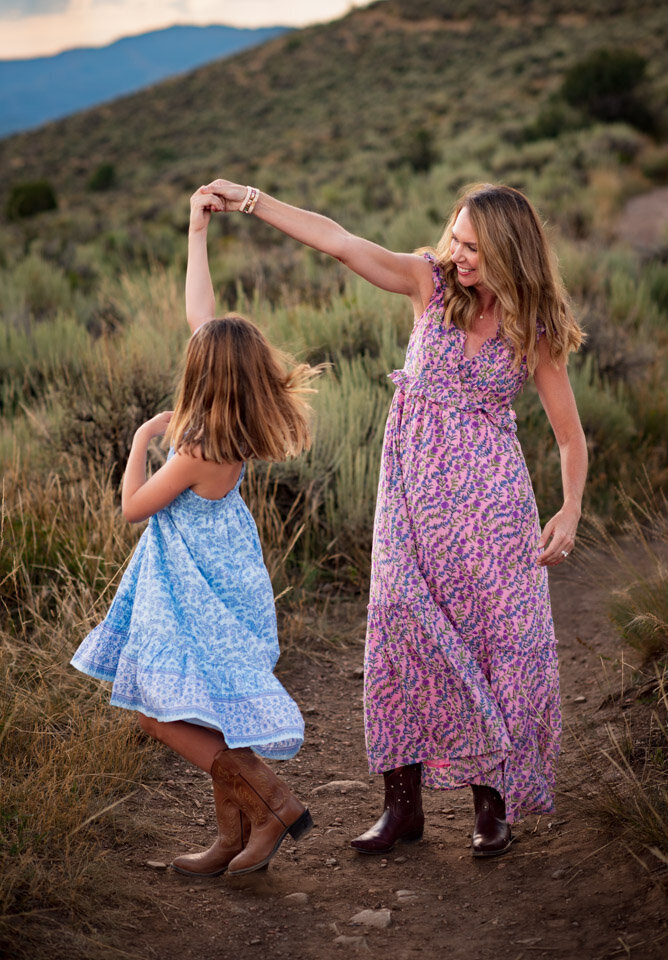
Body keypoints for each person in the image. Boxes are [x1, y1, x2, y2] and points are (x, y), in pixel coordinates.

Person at [199, 178, 587, 859]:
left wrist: (571, 506)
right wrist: (253, 202)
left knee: (497, 644)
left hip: (493, 510)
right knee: (401, 634)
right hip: (410, 501)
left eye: (472, 247)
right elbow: (340, 241)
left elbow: (568, 435)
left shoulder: (534, 326)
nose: (456, 254)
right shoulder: (428, 286)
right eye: (456, 239)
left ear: (509, 251)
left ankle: (491, 806)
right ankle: (401, 808)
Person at [71, 187, 321, 876]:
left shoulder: (192, 449)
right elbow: (201, 314)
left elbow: (132, 509)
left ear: (200, 374)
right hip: (219, 580)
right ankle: (232, 836)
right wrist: (196, 233)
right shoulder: (231, 424)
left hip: (194, 594)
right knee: (208, 715)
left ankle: (273, 804)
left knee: (159, 713)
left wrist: (138, 441)